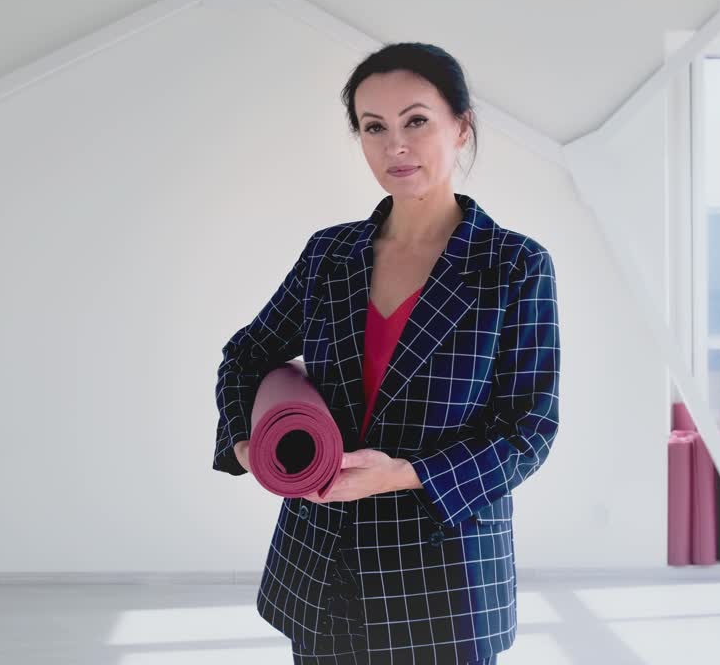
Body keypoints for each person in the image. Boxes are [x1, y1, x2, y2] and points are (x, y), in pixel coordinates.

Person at [212, 42, 561, 664]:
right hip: (323, 567)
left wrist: (402, 474)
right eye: (374, 127)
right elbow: (246, 356)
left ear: (461, 127)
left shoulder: (513, 265)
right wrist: (246, 445)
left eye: (416, 121)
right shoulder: (330, 255)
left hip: (444, 575)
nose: (395, 145)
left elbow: (528, 431)